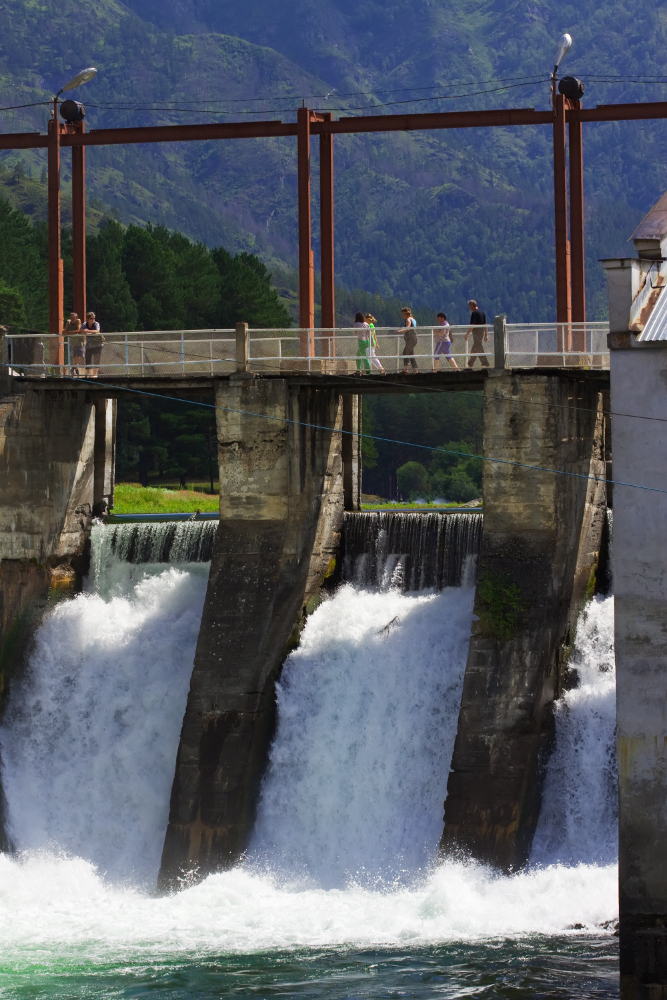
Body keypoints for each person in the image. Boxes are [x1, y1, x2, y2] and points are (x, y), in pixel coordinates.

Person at [465, 299, 489, 368]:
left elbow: (472, 325)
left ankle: (485, 363)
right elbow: (485, 325)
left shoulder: (474, 313)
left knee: (478, 346)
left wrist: (467, 334)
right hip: (481, 332)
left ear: (472, 306)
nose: (469, 308)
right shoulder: (482, 313)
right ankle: (471, 364)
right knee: (476, 347)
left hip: (476, 332)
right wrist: (486, 335)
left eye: (469, 306)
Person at [82, 311, 104, 377]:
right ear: (87, 319)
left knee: (96, 360)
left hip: (98, 344)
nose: (93, 320)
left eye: (94, 318)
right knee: (88, 359)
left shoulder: (96, 324)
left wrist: (87, 331)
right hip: (89, 345)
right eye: (91, 318)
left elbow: (97, 331)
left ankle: (95, 374)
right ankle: (89, 374)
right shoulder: (84, 324)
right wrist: (84, 331)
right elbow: (81, 331)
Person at [400, 307, 418, 373]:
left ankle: (406, 369)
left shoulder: (408, 319)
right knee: (411, 353)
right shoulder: (413, 319)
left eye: (403, 314)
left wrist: (400, 331)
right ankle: (415, 369)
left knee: (405, 352)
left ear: (405, 313)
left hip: (411, 339)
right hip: (413, 338)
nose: (402, 315)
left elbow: (408, 328)